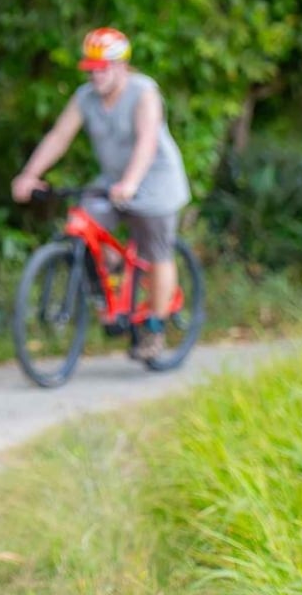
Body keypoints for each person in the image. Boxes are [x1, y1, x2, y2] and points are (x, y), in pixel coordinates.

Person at [11, 26, 191, 361]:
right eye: (91, 69)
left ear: (122, 66)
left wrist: (132, 182)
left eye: (103, 68)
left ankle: (155, 327)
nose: (95, 75)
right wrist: (30, 174)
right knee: (83, 221)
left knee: (158, 252)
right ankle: (116, 279)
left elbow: (147, 142)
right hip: (113, 181)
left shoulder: (143, 93)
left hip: (154, 183)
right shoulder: (85, 98)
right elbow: (59, 136)